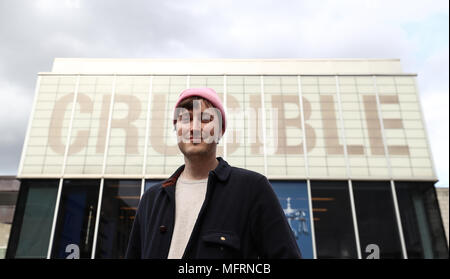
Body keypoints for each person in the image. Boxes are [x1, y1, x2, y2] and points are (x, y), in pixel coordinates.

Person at [125, 88, 301, 259]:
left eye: (205, 119)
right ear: (176, 129)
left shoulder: (252, 189)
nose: (194, 128)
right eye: (185, 119)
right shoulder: (151, 199)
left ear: (221, 131)